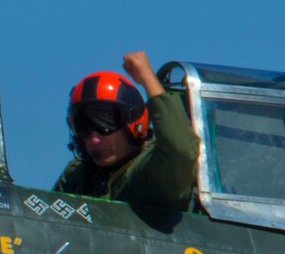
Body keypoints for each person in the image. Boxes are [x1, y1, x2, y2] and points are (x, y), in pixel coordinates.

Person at [52, 51, 198, 209]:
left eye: (105, 126)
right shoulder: (77, 175)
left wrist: (148, 78)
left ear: (133, 124)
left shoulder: (152, 170)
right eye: (84, 128)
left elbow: (181, 152)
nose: (94, 139)